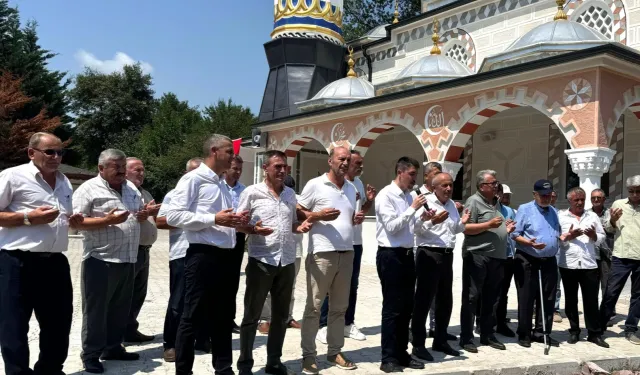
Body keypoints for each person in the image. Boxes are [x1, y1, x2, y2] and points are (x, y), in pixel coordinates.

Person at [165, 134, 250, 375]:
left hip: (227, 257)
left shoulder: (222, 183)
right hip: (202, 256)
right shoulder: (194, 180)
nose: (233, 157)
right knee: (191, 316)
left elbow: (221, 220)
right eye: (229, 152)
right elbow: (174, 216)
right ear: (214, 151)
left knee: (223, 315)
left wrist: (235, 221)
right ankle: (184, 370)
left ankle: (223, 369)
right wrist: (214, 218)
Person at [0, 133, 80, 375]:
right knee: (14, 325)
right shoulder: (12, 177)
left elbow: (60, 218)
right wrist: (26, 218)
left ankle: (50, 370)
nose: (56, 157)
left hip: (55, 261)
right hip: (17, 261)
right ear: (31, 153)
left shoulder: (64, 181)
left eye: (60, 152)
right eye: (50, 152)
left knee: (58, 322)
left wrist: (73, 220)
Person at [235, 150, 313, 375]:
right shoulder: (252, 193)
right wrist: (253, 229)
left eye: (285, 167)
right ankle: (245, 364)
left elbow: (289, 224)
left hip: (287, 261)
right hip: (261, 260)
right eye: (277, 166)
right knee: (252, 314)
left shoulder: (290, 194)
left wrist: (298, 227)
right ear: (265, 168)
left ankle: (274, 361)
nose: (282, 170)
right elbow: (239, 224)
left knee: (281, 316)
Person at [72, 149, 148, 373]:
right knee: (96, 312)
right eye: (116, 166)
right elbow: (75, 222)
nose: (121, 170)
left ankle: (113, 347)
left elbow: (135, 214)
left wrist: (143, 214)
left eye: (123, 166)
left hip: (127, 258)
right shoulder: (88, 189)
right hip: (100, 260)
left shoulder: (130, 188)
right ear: (101, 168)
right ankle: (91, 354)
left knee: (120, 309)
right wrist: (106, 220)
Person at [297, 146, 363, 374]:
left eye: (348, 160)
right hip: (322, 254)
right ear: (330, 161)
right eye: (341, 159)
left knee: (339, 308)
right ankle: (308, 355)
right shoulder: (315, 185)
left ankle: (335, 351)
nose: (345, 163)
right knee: (314, 307)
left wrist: (356, 218)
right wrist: (317, 216)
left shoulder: (351, 187)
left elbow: (348, 219)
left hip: (347, 252)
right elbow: (298, 211)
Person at [318, 149, 376, 343]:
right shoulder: (335, 184)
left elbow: (358, 215)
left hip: (355, 242)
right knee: (329, 286)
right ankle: (323, 325)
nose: (360, 166)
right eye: (357, 163)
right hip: (336, 243)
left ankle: (347, 323)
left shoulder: (357, 184)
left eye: (361, 163)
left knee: (352, 285)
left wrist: (369, 202)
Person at [376, 156, 427, 373]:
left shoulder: (408, 196)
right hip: (390, 256)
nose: (415, 180)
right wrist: (412, 209)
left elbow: (412, 229)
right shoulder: (385, 195)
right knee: (392, 309)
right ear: (400, 172)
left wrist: (428, 219)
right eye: (412, 174)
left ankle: (402, 353)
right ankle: (388, 358)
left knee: (407, 308)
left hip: (407, 255)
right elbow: (392, 227)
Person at [411, 172, 469, 360]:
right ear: (434, 187)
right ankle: (418, 344)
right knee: (424, 301)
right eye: (444, 185)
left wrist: (462, 222)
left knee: (445, 300)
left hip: (446, 256)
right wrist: (431, 221)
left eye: (450, 185)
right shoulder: (424, 202)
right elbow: (415, 230)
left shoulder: (451, 204)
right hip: (428, 253)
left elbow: (453, 229)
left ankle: (440, 340)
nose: (448, 189)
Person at [157, 158, 210, 362]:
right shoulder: (176, 194)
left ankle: (200, 338)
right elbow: (161, 221)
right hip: (182, 252)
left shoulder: (210, 194)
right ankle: (171, 343)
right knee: (179, 301)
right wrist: (190, 219)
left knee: (204, 299)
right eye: (194, 173)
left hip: (206, 252)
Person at [459, 170, 510, 353]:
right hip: (478, 256)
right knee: (472, 298)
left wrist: (505, 229)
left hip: (496, 257)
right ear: (482, 186)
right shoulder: (474, 201)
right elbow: (465, 228)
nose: (497, 185)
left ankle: (487, 335)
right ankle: (466, 338)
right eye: (493, 183)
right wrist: (489, 225)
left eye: (496, 182)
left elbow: (495, 228)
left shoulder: (494, 202)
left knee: (491, 298)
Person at [512, 179, 561, 348]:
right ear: (535, 194)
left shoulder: (553, 211)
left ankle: (542, 332)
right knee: (527, 297)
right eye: (543, 195)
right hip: (528, 258)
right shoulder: (525, 209)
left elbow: (556, 233)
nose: (546, 198)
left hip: (549, 260)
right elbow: (515, 235)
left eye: (549, 195)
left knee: (548, 298)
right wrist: (529, 243)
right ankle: (524, 333)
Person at [557, 187, 608, 348]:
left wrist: (594, 236)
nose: (579, 202)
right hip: (569, 263)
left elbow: (602, 236)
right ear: (569, 201)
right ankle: (574, 331)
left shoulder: (592, 216)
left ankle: (594, 333)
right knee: (571, 299)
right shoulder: (561, 216)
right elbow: (557, 239)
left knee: (591, 300)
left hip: (589, 264)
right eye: (576, 200)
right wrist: (569, 237)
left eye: (582, 200)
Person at [259, 175, 303, 333]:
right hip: (272, 250)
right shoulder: (269, 197)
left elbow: (304, 217)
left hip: (294, 251)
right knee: (268, 287)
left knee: (290, 287)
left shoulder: (295, 199)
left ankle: (287, 317)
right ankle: (265, 319)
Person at [124, 157, 161, 343]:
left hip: (145, 249)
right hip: (130, 249)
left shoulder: (144, 192)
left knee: (139, 292)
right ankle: (119, 331)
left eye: (142, 170)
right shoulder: (123, 192)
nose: (141, 173)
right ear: (125, 171)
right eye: (136, 169)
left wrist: (152, 212)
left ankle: (130, 328)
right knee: (126, 294)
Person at [600, 175, 640, 345]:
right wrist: (613, 220)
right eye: (632, 191)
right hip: (621, 256)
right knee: (611, 292)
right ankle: (599, 327)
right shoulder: (618, 205)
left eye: (638, 191)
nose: (635, 195)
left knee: (638, 296)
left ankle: (631, 329)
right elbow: (607, 228)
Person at [224, 154, 247, 334]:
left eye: (240, 169)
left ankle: (229, 319)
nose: (238, 172)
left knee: (232, 281)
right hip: (220, 236)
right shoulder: (217, 187)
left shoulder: (244, 190)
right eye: (234, 168)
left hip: (238, 237)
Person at [588, 188, 615, 324]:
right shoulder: (586, 214)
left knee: (607, 285)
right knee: (592, 286)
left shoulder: (610, 213)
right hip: (591, 254)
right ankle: (594, 313)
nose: (596, 200)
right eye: (594, 198)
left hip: (606, 254)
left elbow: (611, 229)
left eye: (599, 198)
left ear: (604, 199)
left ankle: (607, 313)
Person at [495, 183, 518, 338]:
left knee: (503, 292)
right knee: (488, 291)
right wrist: (504, 229)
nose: (501, 197)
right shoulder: (489, 210)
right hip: (492, 256)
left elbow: (515, 231)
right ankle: (484, 322)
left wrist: (512, 228)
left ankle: (501, 322)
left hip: (508, 255)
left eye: (502, 194)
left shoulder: (509, 211)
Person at [551, 190, 563, 323]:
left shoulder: (560, 214)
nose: (551, 199)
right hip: (540, 252)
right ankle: (537, 308)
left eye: (553, 197)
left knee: (556, 282)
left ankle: (555, 309)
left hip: (557, 252)